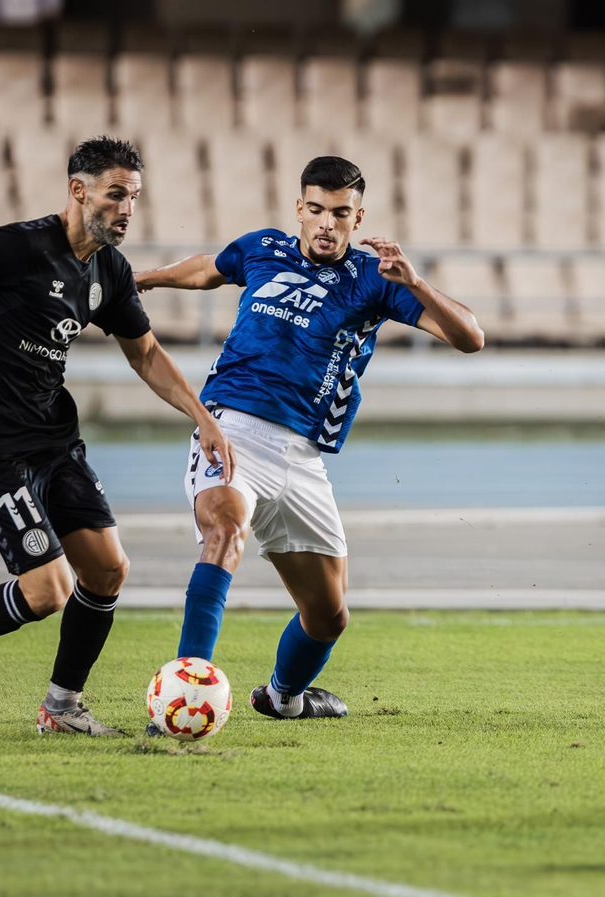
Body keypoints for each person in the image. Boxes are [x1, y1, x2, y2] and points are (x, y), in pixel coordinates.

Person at [0, 136, 234, 736]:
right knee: (48, 588)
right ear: (79, 192)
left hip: (56, 441)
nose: (128, 209)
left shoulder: (110, 269)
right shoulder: (21, 246)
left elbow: (147, 353)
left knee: (107, 571)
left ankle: (61, 706)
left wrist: (202, 417)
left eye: (134, 196)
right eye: (116, 195)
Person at [133, 156, 483, 727]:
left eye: (340, 214)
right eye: (316, 210)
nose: (326, 223)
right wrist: (137, 280)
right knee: (223, 530)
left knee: (328, 617)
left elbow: (471, 337)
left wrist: (415, 281)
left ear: (358, 216)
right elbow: (205, 270)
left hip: (302, 456)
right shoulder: (261, 248)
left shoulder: (375, 280)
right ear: (300, 208)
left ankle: (282, 697)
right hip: (231, 428)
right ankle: (186, 685)